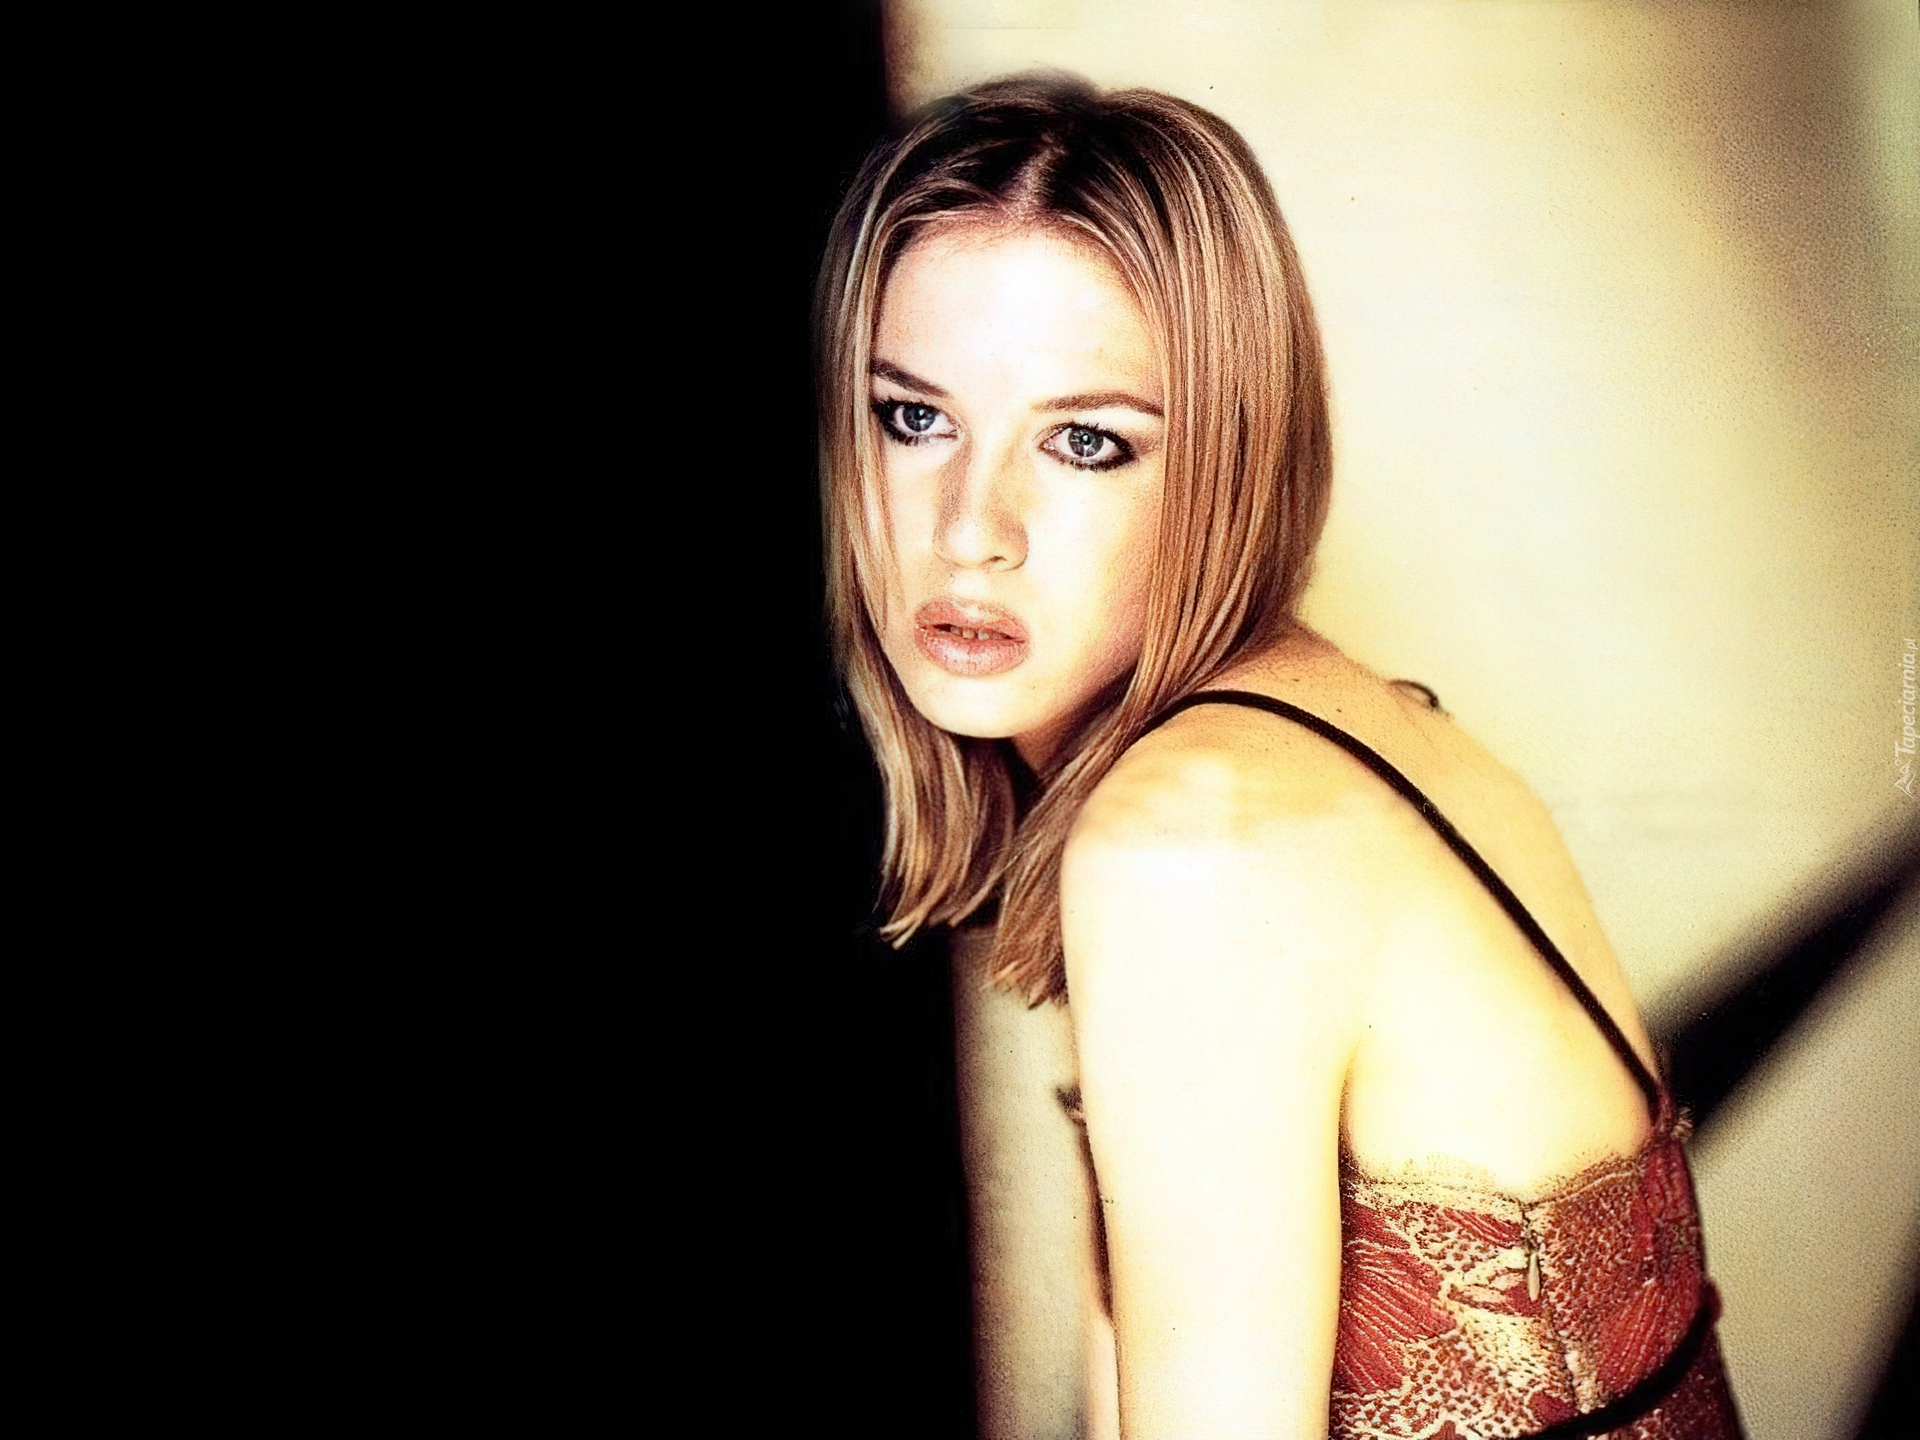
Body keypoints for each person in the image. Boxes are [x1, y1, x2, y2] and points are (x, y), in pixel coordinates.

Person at [815, 72, 1744, 1440]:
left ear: (1228, 465)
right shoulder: (1333, 729)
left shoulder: (1195, 837)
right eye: (915, 418)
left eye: (1085, 442)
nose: (969, 531)